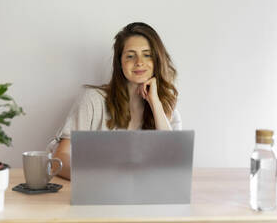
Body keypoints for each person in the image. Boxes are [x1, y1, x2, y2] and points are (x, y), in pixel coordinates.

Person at [49, 22, 182, 180]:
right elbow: (60, 159)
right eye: (130, 56)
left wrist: (155, 103)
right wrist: (96, 178)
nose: (139, 62)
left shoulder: (165, 107)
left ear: (157, 60)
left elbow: (173, 165)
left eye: (147, 54)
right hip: (98, 194)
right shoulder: (92, 100)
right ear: (120, 63)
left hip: (145, 197)